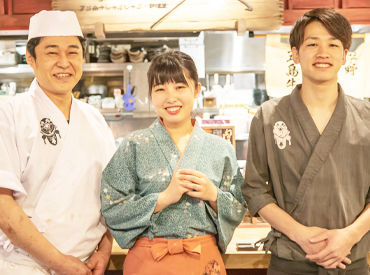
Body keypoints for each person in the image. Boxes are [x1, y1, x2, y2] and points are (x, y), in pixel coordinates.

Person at [243, 8, 370, 275]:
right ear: (295, 54)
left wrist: (348, 236)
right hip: (290, 261)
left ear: (345, 55)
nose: (323, 52)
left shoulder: (367, 117)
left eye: (333, 44)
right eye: (312, 43)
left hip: (350, 260)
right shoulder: (268, 117)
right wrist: (300, 235)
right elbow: (254, 190)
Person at [101, 50, 246, 275]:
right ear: (151, 95)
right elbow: (112, 208)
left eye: (180, 87)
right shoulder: (134, 145)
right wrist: (162, 199)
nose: (171, 98)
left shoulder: (221, 149)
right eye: (160, 89)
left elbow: (239, 208)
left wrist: (214, 195)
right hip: (148, 262)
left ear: (196, 89)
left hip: (202, 261)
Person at [0, 10, 116, 275]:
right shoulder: (9, 114)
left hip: (85, 266)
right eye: (52, 52)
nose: (64, 62)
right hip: (24, 266)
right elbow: (3, 208)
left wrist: (104, 250)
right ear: (31, 58)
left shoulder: (95, 119)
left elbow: (112, 195)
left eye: (73, 52)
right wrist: (59, 262)